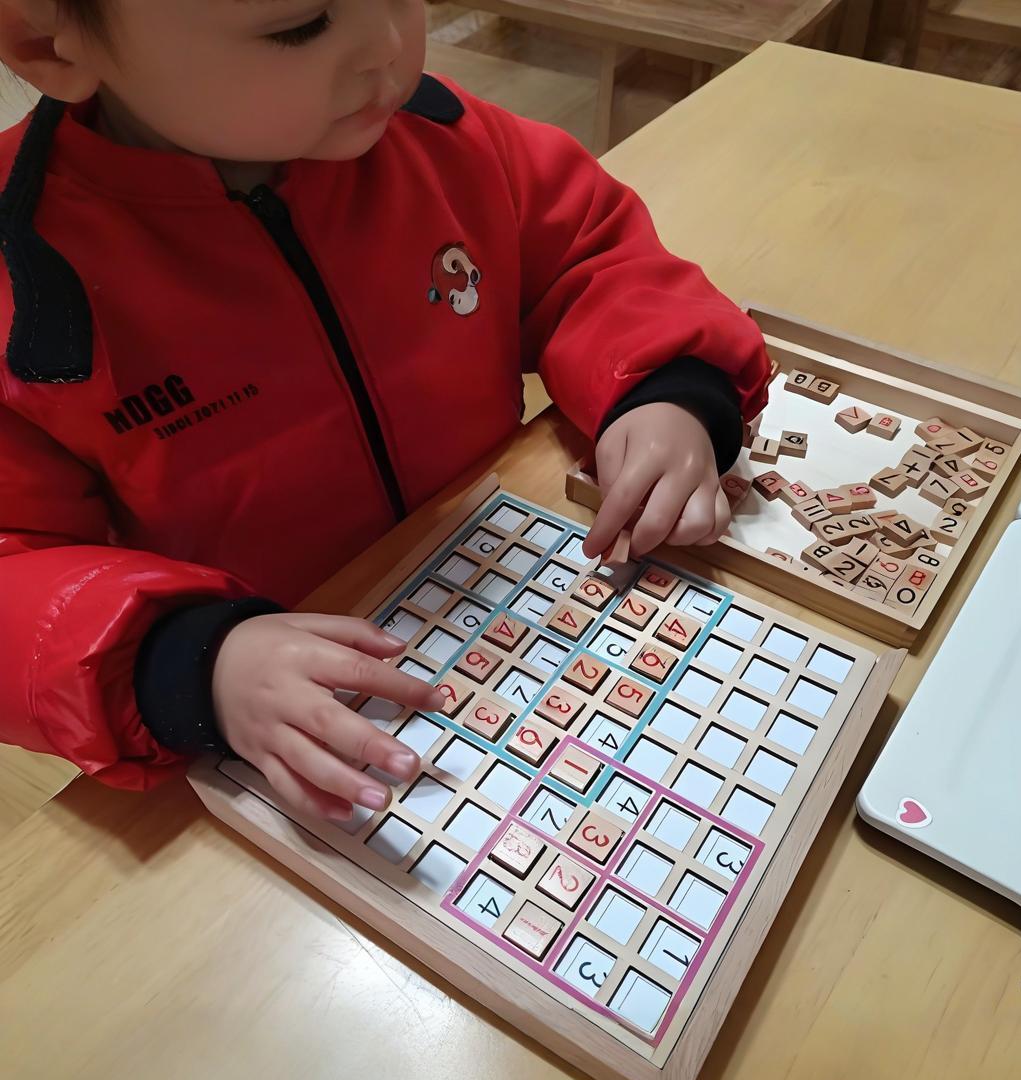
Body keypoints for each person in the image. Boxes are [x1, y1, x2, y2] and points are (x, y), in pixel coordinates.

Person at [0, 0, 768, 825]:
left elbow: (591, 257)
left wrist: (666, 387)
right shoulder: (19, 282)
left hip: (509, 608)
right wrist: (189, 662)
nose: (390, 48)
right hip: (291, 717)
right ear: (46, 41)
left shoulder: (446, 139)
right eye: (300, 26)